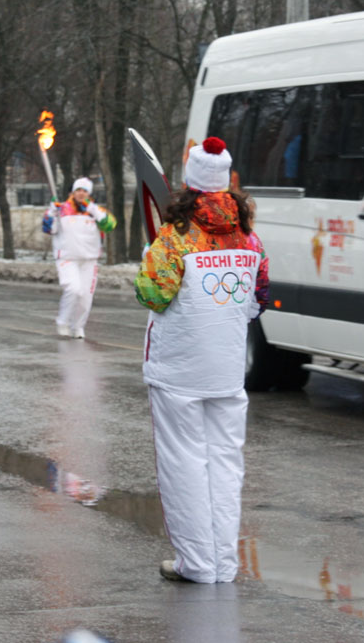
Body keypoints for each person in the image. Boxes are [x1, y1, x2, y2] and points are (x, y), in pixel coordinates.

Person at [134, 137, 269, 584]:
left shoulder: (175, 240)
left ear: (189, 186)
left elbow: (151, 294)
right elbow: (260, 296)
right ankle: (225, 564)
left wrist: (148, 261)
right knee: (226, 465)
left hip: (179, 372)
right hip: (228, 371)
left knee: (184, 463)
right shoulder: (250, 240)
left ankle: (196, 563)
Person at [46, 177, 116, 339]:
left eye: (85, 191)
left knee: (85, 297)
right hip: (67, 258)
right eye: (78, 190)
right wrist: (51, 213)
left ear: (89, 193)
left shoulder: (95, 211)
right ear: (73, 192)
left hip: (89, 260)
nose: (81, 193)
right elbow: (48, 228)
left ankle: (77, 327)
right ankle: (62, 321)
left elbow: (110, 225)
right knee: (73, 289)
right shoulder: (61, 209)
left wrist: (93, 210)